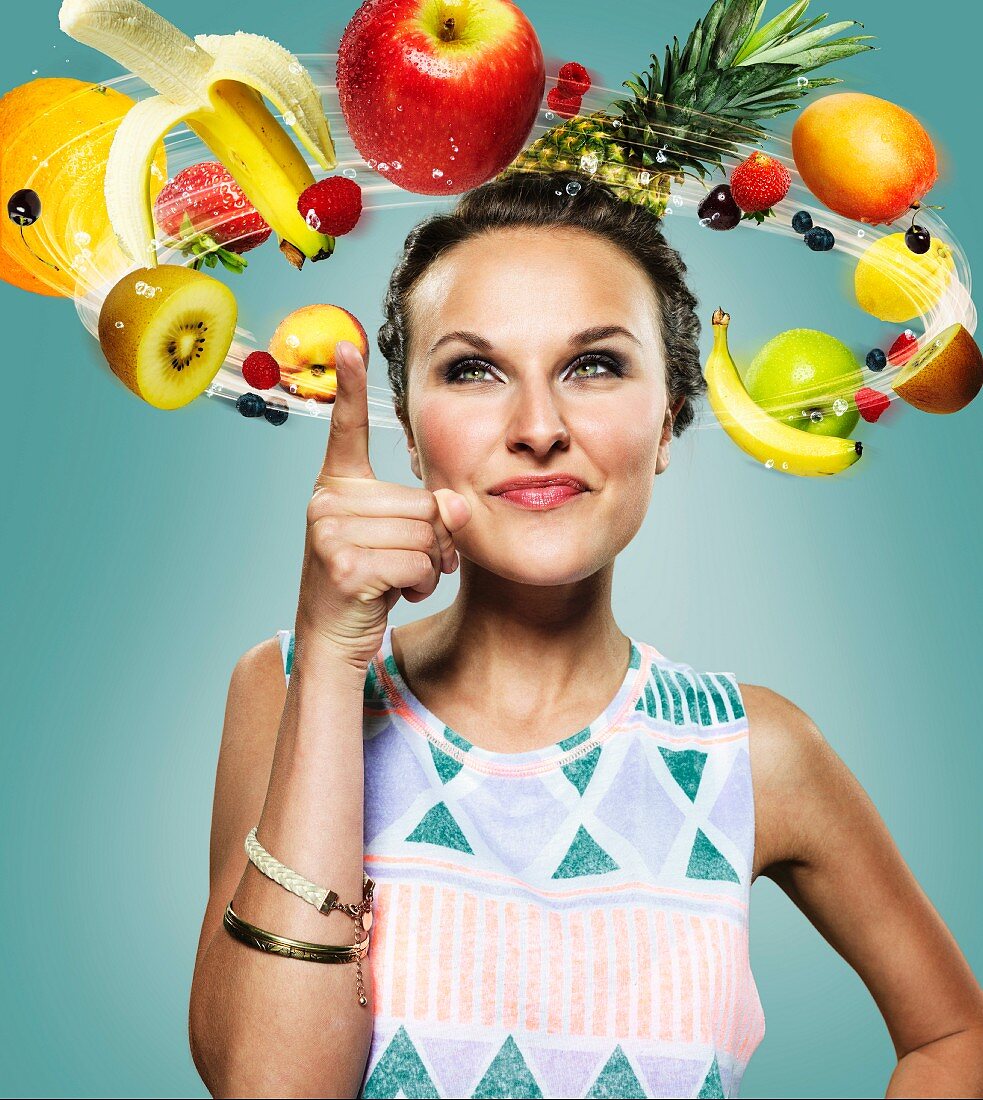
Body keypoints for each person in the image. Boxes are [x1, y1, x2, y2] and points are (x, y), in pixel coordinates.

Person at [187, 169, 983, 1099]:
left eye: (594, 365)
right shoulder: (287, 687)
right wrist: (330, 655)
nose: (537, 427)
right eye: (474, 370)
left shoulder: (752, 753)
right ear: (409, 430)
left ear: (668, 422)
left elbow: (953, 1036)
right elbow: (272, 1087)